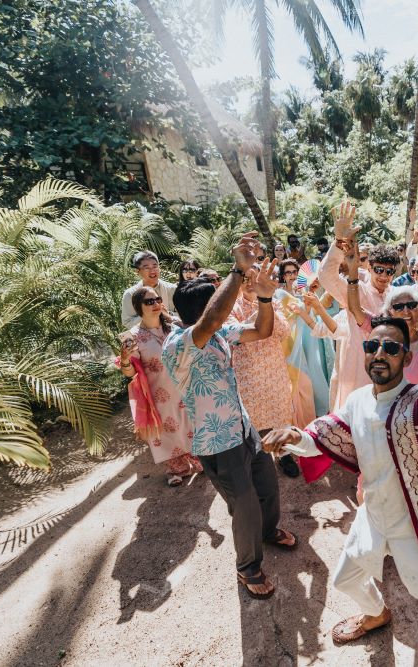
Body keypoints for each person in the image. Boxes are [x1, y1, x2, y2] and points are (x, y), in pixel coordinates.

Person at [262, 323, 418, 667]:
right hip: (372, 516)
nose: (379, 353)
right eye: (372, 345)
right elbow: (323, 436)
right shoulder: (357, 400)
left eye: (391, 348)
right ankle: (376, 614)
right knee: (344, 580)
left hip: (415, 527)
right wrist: (294, 436)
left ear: (407, 357)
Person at [162, 234, 296, 600]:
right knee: (245, 504)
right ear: (203, 311)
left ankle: (268, 533)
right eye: (219, 303)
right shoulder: (178, 344)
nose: (232, 303)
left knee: (267, 488)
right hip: (216, 443)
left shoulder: (220, 332)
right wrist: (238, 270)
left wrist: (266, 298)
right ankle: (248, 567)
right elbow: (213, 317)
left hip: (244, 428)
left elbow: (262, 330)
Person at [319, 201, 418, 409]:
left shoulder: (397, 298)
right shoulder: (356, 291)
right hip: (357, 371)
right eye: (378, 269)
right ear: (369, 268)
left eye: (389, 271)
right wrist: (338, 242)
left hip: (390, 372)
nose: (383, 276)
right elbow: (326, 276)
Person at [118, 287, 202, 486]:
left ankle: (199, 461)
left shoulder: (173, 327)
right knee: (167, 431)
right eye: (149, 301)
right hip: (159, 393)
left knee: (191, 424)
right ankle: (176, 468)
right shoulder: (133, 336)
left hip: (185, 387)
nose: (155, 304)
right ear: (139, 307)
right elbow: (130, 373)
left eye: (157, 299)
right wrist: (124, 359)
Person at [225, 264, 301, 479]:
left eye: (256, 278)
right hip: (247, 372)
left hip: (274, 368)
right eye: (247, 279)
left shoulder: (273, 301)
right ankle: (255, 458)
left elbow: (283, 331)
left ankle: (284, 454)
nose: (251, 284)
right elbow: (235, 335)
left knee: (280, 411)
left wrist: (266, 303)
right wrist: (263, 307)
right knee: (251, 418)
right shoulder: (231, 307)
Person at [121, 250, 176, 327]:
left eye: (155, 266)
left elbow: (185, 314)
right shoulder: (130, 294)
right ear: (137, 271)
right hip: (145, 337)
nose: (152, 271)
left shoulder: (173, 289)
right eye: (147, 268)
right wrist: (150, 315)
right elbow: (127, 322)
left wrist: (168, 314)